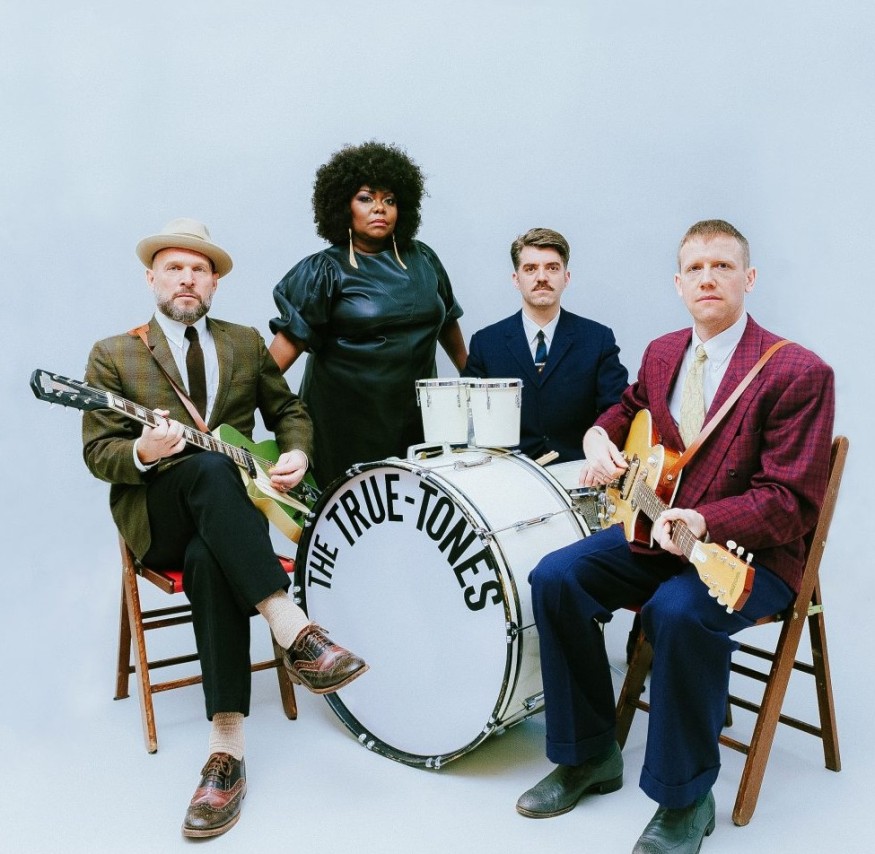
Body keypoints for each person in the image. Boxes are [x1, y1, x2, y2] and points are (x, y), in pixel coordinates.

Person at [516, 220, 835, 853]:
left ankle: (686, 799)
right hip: (657, 534)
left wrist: (707, 521)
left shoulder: (798, 371)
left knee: (677, 612)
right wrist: (599, 436)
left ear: (749, 278)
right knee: (556, 577)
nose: (708, 278)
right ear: (678, 283)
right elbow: (628, 406)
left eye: (723, 266)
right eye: (695, 268)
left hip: (749, 557)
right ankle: (588, 756)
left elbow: (791, 503)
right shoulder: (664, 351)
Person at [82, 218, 368, 839]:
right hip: (157, 514)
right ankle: (294, 628)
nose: (187, 278)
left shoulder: (244, 343)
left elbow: (289, 410)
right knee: (209, 469)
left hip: (226, 525)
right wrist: (146, 452)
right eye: (174, 268)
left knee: (212, 556)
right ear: (151, 278)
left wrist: (297, 452)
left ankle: (226, 751)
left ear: (214, 283)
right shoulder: (114, 353)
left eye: (200, 269)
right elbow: (100, 453)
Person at [268, 140, 467, 487]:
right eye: (366, 198)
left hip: (416, 419)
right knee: (347, 511)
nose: (379, 209)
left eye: (389, 200)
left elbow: (448, 322)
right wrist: (240, 408)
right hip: (343, 425)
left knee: (410, 508)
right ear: (342, 205)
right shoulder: (324, 270)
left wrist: (474, 376)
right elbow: (273, 365)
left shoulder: (424, 259)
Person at [463, 227, 628, 463]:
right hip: (508, 473)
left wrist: (599, 438)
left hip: (580, 471)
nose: (542, 277)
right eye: (530, 269)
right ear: (516, 279)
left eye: (552, 268)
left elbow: (618, 407)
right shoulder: (486, 343)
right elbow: (468, 419)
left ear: (566, 277)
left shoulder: (598, 339)